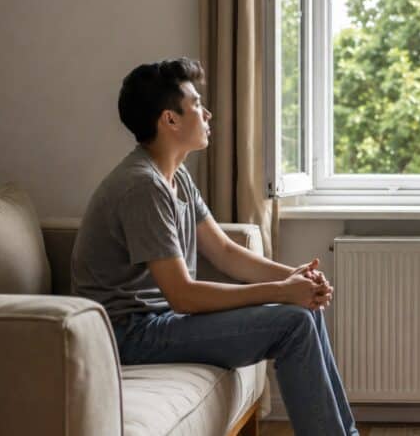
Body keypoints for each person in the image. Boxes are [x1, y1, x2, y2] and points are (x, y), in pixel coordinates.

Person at [71, 57, 357, 435]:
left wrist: (295, 278)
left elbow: (223, 252)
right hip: (128, 335)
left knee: (305, 311)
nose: (207, 114)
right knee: (293, 323)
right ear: (169, 120)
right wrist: (280, 292)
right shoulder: (142, 186)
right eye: (195, 105)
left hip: (158, 323)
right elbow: (183, 296)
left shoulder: (176, 176)